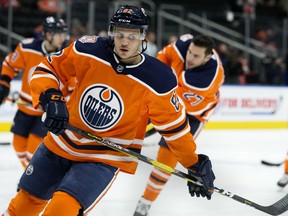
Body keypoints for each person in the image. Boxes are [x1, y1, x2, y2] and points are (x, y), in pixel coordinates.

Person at [2, 5, 215, 216]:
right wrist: (52, 97)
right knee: (21, 207)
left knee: (61, 210)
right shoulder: (88, 49)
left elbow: (174, 129)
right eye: (119, 34)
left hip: (102, 157)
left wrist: (193, 162)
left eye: (132, 36)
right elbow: (47, 68)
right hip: (59, 143)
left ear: (143, 36)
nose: (124, 41)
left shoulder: (158, 79)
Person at [134, 34, 225, 216]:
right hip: (171, 97)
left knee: (165, 162)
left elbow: (170, 97)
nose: (190, 58)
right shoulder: (183, 44)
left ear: (207, 58)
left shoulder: (207, 79)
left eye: (196, 56)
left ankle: (146, 201)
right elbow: (163, 57)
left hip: (193, 114)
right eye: (190, 52)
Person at [0, 16, 70, 175]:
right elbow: (10, 64)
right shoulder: (28, 47)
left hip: (46, 112)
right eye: (58, 33)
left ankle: (31, 182)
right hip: (25, 109)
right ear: (47, 34)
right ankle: (32, 177)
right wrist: (4, 83)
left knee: (33, 147)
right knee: (18, 145)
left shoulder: (66, 56)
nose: (62, 37)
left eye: (63, 33)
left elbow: (72, 85)